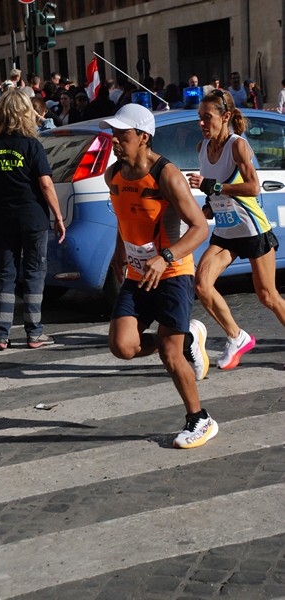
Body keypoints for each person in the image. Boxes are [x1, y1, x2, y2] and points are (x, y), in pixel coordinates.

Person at [99, 103, 217, 450]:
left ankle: (200, 419)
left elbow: (198, 229)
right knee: (122, 346)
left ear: (143, 137)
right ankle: (190, 338)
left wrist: (165, 258)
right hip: (138, 273)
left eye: (122, 134)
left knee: (169, 353)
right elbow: (124, 218)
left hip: (173, 271)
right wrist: (121, 252)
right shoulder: (113, 175)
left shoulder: (167, 175)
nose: (115, 140)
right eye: (114, 134)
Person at [187, 90, 285, 369]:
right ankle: (236, 336)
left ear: (225, 117)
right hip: (227, 232)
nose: (203, 124)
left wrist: (213, 187)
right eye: (199, 118)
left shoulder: (237, 146)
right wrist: (209, 204)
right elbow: (215, 190)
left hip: (252, 229)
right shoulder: (201, 148)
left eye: (208, 118)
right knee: (202, 284)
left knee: (268, 296)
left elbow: (253, 187)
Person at [0, 89, 66, 350]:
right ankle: (34, 332)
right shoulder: (32, 145)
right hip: (33, 218)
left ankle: (1, 335)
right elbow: (46, 185)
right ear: (25, 113)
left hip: (4, 216)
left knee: (6, 274)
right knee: (34, 272)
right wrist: (59, 217)